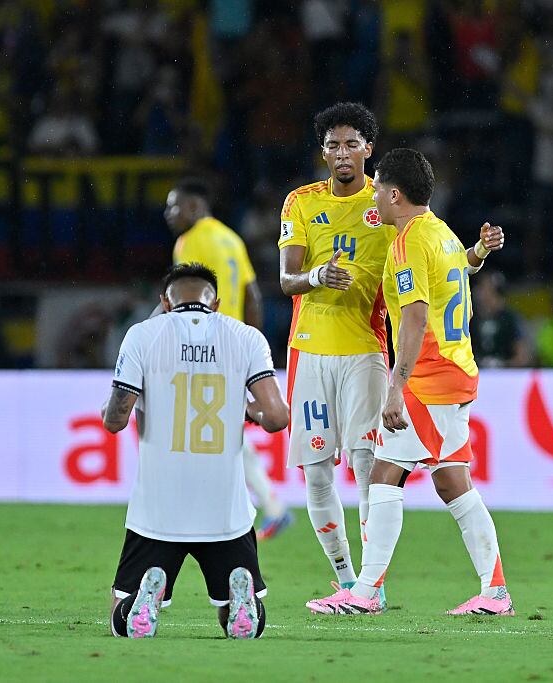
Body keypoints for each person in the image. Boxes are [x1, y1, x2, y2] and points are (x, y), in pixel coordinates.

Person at [306, 148, 514, 616]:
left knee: (385, 474)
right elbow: (455, 271)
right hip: (458, 373)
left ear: (394, 194)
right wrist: (478, 252)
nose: (373, 192)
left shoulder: (406, 243)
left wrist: (396, 386)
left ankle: (364, 592)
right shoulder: (437, 231)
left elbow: (416, 319)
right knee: (452, 483)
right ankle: (495, 591)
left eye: (378, 185)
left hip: (429, 379)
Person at [102, 263, 288, 639]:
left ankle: (141, 600)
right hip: (225, 506)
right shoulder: (246, 337)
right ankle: (238, 601)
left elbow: (116, 419)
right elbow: (277, 417)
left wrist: (107, 412)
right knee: (242, 625)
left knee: (119, 622)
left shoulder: (142, 335)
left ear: (165, 303)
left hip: (159, 506)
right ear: (216, 303)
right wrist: (247, 410)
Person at [277, 102, 396, 606]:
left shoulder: (389, 202)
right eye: (332, 145)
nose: (342, 154)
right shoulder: (300, 202)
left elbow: (434, 252)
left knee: (368, 464)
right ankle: (346, 578)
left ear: (369, 148)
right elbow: (286, 280)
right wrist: (318, 277)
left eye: (351, 144)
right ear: (322, 152)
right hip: (310, 353)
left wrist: (474, 257)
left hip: (366, 351)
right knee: (318, 470)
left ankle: (374, 584)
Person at [166, 177, 293, 540]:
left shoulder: (189, 242)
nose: (168, 214)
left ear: (193, 206)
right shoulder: (230, 237)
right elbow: (252, 293)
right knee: (223, 428)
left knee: (201, 428)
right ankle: (271, 505)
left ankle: (216, 509)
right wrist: (251, 343)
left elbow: (184, 297)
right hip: (232, 345)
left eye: (174, 206)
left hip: (204, 346)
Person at [471, 270, 531, 368]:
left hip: (504, 377)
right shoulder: (472, 318)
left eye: (486, 290)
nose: (479, 293)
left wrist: (501, 364)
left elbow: (523, 357)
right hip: (475, 373)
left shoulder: (510, 319)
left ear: (497, 294)